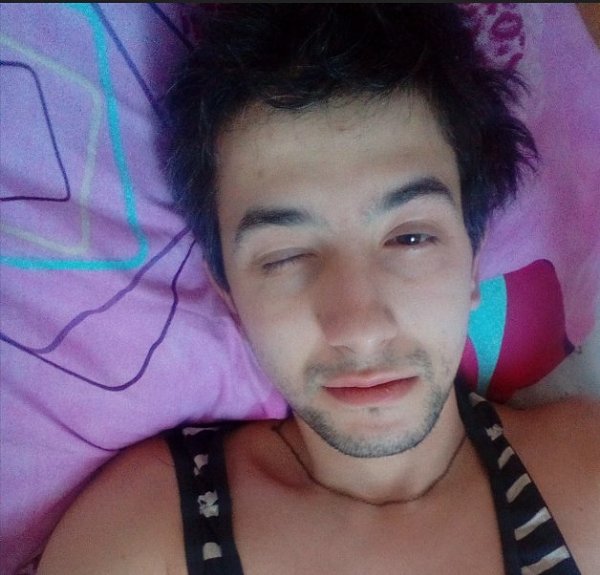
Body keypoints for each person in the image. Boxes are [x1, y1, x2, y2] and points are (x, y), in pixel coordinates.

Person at [38, 5, 599, 575]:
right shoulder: (144, 532)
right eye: (285, 256)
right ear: (228, 293)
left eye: (410, 238)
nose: (361, 330)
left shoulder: (587, 478)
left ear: (473, 261)